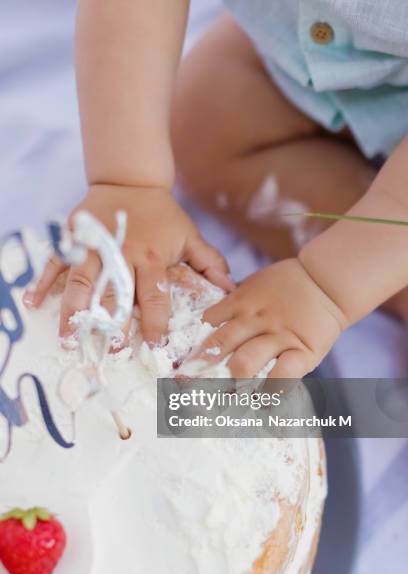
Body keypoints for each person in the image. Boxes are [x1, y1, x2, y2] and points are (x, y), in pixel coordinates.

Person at [23, 1, 408, 378]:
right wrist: (128, 181)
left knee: (369, 261)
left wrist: (328, 284)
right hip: (306, 56)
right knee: (200, 122)